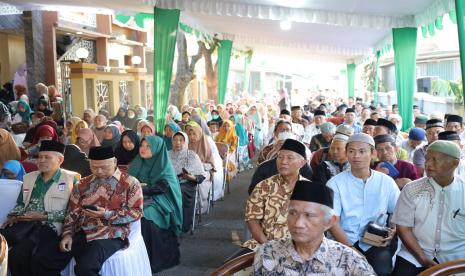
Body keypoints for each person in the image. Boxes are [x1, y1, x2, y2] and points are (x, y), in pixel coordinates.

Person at [253, 181, 375, 275]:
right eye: (293, 213)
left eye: (309, 215)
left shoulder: (349, 259)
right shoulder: (268, 252)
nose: (298, 223)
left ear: (328, 222)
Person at [60, 146, 143, 276]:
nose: (99, 171)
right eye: (94, 167)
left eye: (104, 167)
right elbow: (72, 213)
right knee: (48, 258)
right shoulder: (81, 184)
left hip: (112, 234)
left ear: (115, 162)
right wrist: (67, 234)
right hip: (84, 232)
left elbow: (136, 212)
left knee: (85, 268)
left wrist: (106, 214)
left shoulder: (130, 183)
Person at [1, 141, 79, 276]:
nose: (41, 160)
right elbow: (21, 203)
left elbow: (74, 213)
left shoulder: (71, 180)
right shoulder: (29, 178)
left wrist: (44, 216)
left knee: (38, 259)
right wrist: (14, 216)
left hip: (54, 228)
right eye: (39, 157)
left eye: (47, 157)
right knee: (16, 254)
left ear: (60, 160)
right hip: (27, 225)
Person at [327, 133, 400, 275]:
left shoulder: (386, 182)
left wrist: (393, 229)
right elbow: (332, 222)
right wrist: (350, 248)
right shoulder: (335, 183)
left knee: (383, 271)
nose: (356, 156)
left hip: (375, 241)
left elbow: (398, 212)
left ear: (373, 153)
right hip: (342, 241)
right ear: (346, 153)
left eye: (362, 151)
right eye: (351, 151)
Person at [391, 140, 465, 275]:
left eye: (435, 160)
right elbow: (403, 227)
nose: (428, 164)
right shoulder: (412, 189)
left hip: (457, 257)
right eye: (427, 159)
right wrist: (422, 258)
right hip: (414, 254)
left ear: (455, 163)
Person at [242, 139, 308, 254]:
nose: (283, 162)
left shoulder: (310, 190)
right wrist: (267, 245)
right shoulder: (264, 186)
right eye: (280, 157)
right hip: (261, 245)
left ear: (302, 163)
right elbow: (252, 219)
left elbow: (315, 226)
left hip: (298, 249)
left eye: (289, 158)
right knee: (227, 269)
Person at [128, 136, 182, 273]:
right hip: (137, 197)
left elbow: (160, 189)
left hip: (160, 200)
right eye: (142, 145)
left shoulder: (164, 165)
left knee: (146, 217)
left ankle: (149, 261)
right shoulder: (137, 162)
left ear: (157, 149)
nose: (143, 149)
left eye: (148, 146)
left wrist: (139, 188)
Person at [169, 131, 207, 233]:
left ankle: (181, 225)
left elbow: (200, 176)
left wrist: (191, 177)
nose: (178, 143)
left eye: (181, 140)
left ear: (185, 142)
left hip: (186, 184)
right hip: (170, 183)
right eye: (175, 140)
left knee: (178, 192)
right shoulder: (167, 154)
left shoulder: (191, 155)